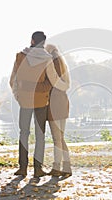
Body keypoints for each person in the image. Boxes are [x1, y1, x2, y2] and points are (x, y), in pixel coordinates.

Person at [9, 31, 69, 178]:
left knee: (24, 134)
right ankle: (38, 169)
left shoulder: (20, 56)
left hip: (24, 101)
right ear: (44, 42)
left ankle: (22, 168)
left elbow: (13, 80)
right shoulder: (47, 59)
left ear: (32, 40)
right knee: (39, 135)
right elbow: (53, 80)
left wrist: (19, 96)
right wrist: (61, 87)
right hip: (41, 101)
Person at [45, 44, 72, 177]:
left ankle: (58, 167)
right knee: (60, 137)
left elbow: (52, 82)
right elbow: (66, 85)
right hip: (63, 101)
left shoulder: (51, 63)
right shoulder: (63, 64)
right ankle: (65, 167)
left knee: (57, 138)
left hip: (54, 103)